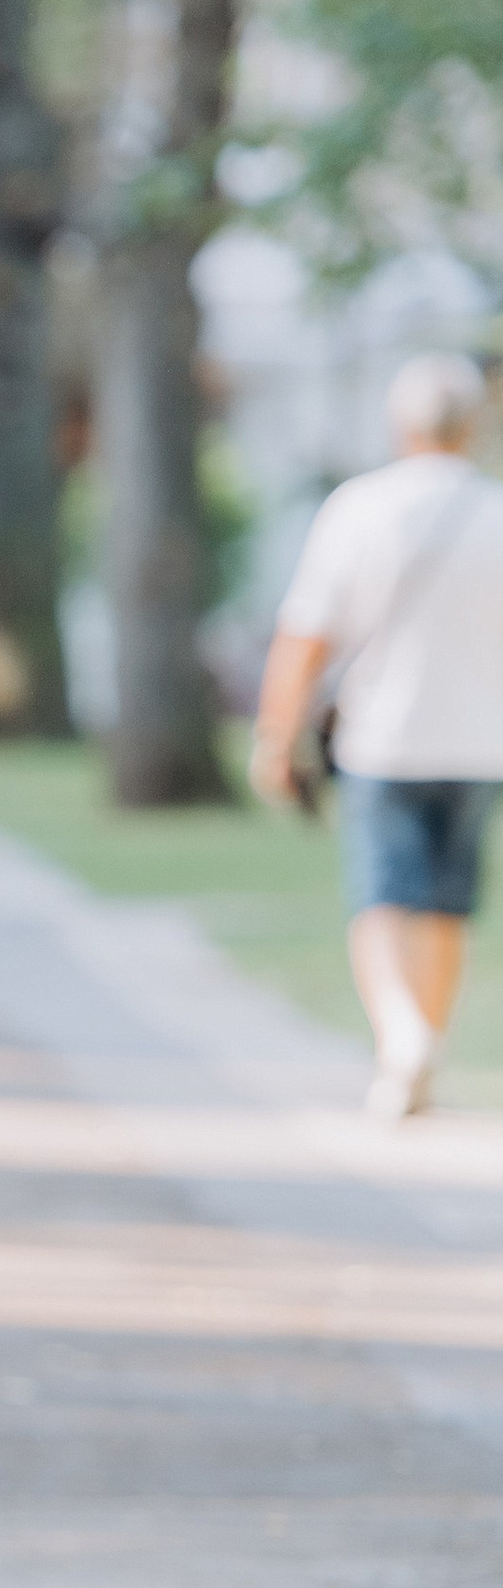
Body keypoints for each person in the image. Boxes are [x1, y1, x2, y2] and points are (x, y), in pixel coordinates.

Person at [250, 351, 503, 1122]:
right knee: (447, 905)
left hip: (383, 738)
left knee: (383, 898)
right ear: (474, 424)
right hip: (479, 742)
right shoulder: (495, 511)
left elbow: (305, 636)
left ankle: (400, 1035)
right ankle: (423, 1039)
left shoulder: (361, 509)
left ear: (401, 425)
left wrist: (275, 733)